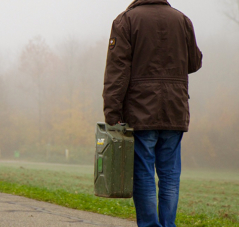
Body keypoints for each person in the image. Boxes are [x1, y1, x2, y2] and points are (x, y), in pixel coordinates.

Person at [102, 0, 202, 226]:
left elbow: (117, 71)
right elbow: (194, 62)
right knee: (169, 175)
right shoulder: (182, 19)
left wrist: (112, 111)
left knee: (144, 173)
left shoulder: (126, 20)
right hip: (175, 109)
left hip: (141, 110)